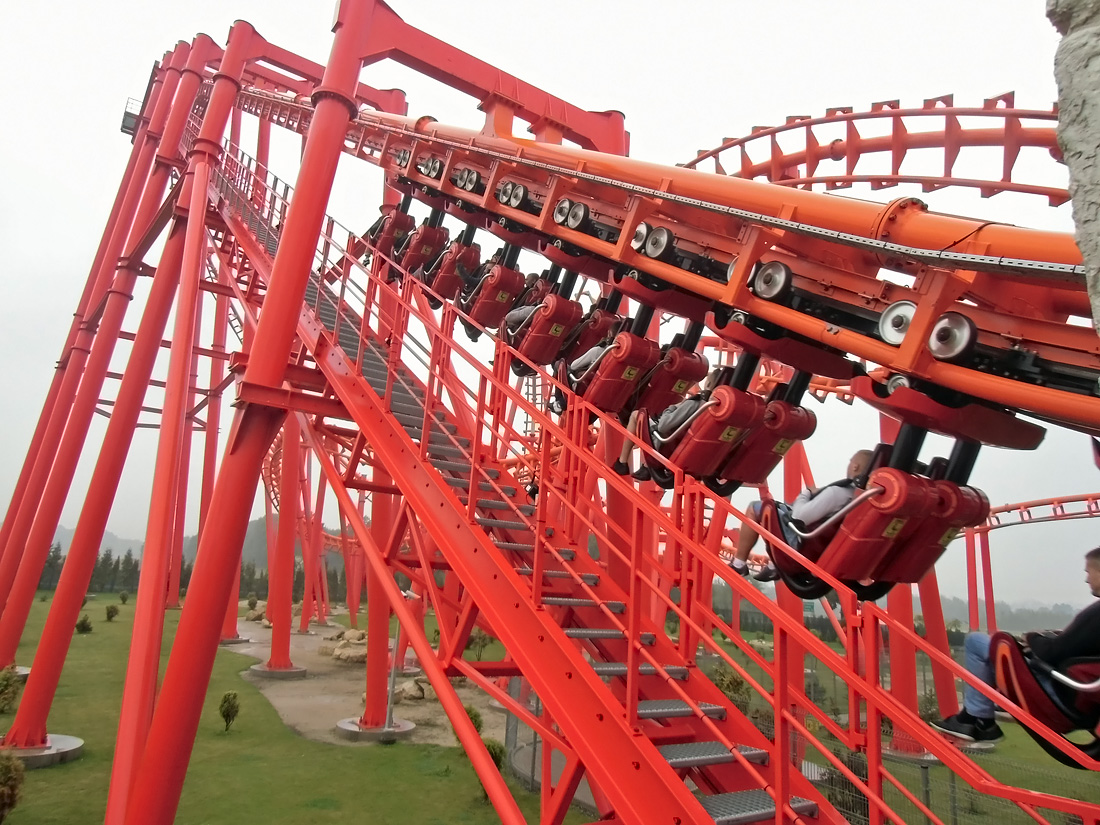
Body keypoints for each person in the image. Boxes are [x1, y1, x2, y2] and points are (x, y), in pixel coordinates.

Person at [931, 547, 1100, 744]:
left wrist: (1032, 639)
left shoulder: (1096, 615)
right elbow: (1076, 646)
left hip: (1060, 694)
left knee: (976, 642)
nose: (1086, 579)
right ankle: (982, 715)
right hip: (1083, 702)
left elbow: (1052, 652)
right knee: (1005, 649)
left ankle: (978, 719)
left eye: (1089, 571)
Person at [728, 449, 873, 582]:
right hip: (823, 551)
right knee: (782, 508)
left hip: (801, 549)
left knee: (757, 507)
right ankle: (773, 565)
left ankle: (739, 563)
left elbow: (798, 517)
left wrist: (807, 493)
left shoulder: (838, 493)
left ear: (855, 467)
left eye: (850, 462)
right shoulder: (862, 500)